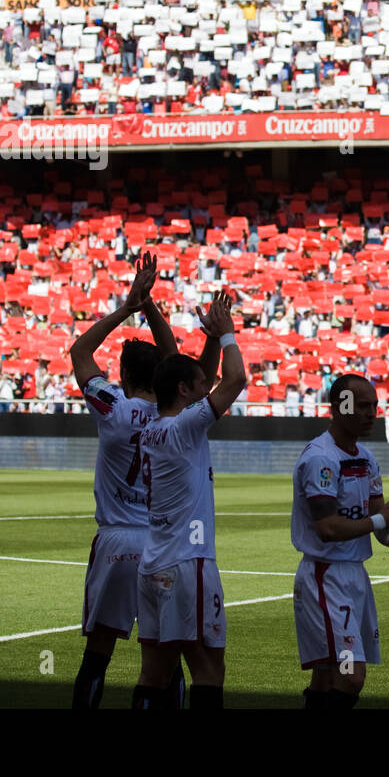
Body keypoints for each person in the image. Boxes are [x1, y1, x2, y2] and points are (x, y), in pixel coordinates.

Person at [69, 252, 219, 708]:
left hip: (115, 542)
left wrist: (129, 306)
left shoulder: (112, 409)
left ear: (123, 375)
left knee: (97, 657)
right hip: (163, 544)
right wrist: (151, 307)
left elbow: (78, 353)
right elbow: (176, 360)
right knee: (164, 656)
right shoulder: (175, 416)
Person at [131, 290, 244, 709]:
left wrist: (211, 338)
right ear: (183, 391)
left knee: (154, 674)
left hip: (154, 562)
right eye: (199, 386)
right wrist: (228, 335)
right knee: (209, 671)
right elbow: (234, 380)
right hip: (188, 563)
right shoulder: (185, 428)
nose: (207, 387)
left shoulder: (153, 430)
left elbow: (202, 377)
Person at [290, 373, 389, 709]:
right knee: (350, 675)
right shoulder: (320, 459)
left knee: (326, 674)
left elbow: (374, 513)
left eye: (375, 405)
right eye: (364, 406)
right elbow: (327, 527)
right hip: (325, 576)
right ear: (340, 407)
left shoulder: (366, 458)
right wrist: (383, 520)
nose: (373, 412)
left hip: (354, 573)